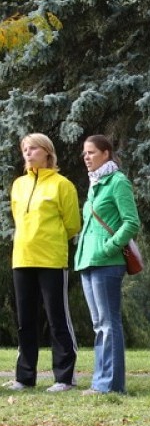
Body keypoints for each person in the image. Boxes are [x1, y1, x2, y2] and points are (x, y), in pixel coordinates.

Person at [4, 134, 81, 392]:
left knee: (57, 318)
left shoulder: (62, 185)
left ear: (48, 152)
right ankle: (25, 377)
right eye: (25, 149)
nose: (28, 152)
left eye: (33, 148)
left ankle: (64, 378)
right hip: (22, 258)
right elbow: (18, 218)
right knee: (25, 320)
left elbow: (72, 224)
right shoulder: (18, 185)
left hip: (51, 259)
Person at [74, 135, 140, 394]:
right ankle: (100, 382)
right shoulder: (95, 184)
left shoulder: (117, 182)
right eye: (84, 153)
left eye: (91, 152)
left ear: (106, 153)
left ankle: (111, 385)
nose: (86, 157)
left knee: (108, 323)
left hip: (107, 262)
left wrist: (109, 247)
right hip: (88, 261)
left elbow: (131, 222)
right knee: (99, 325)